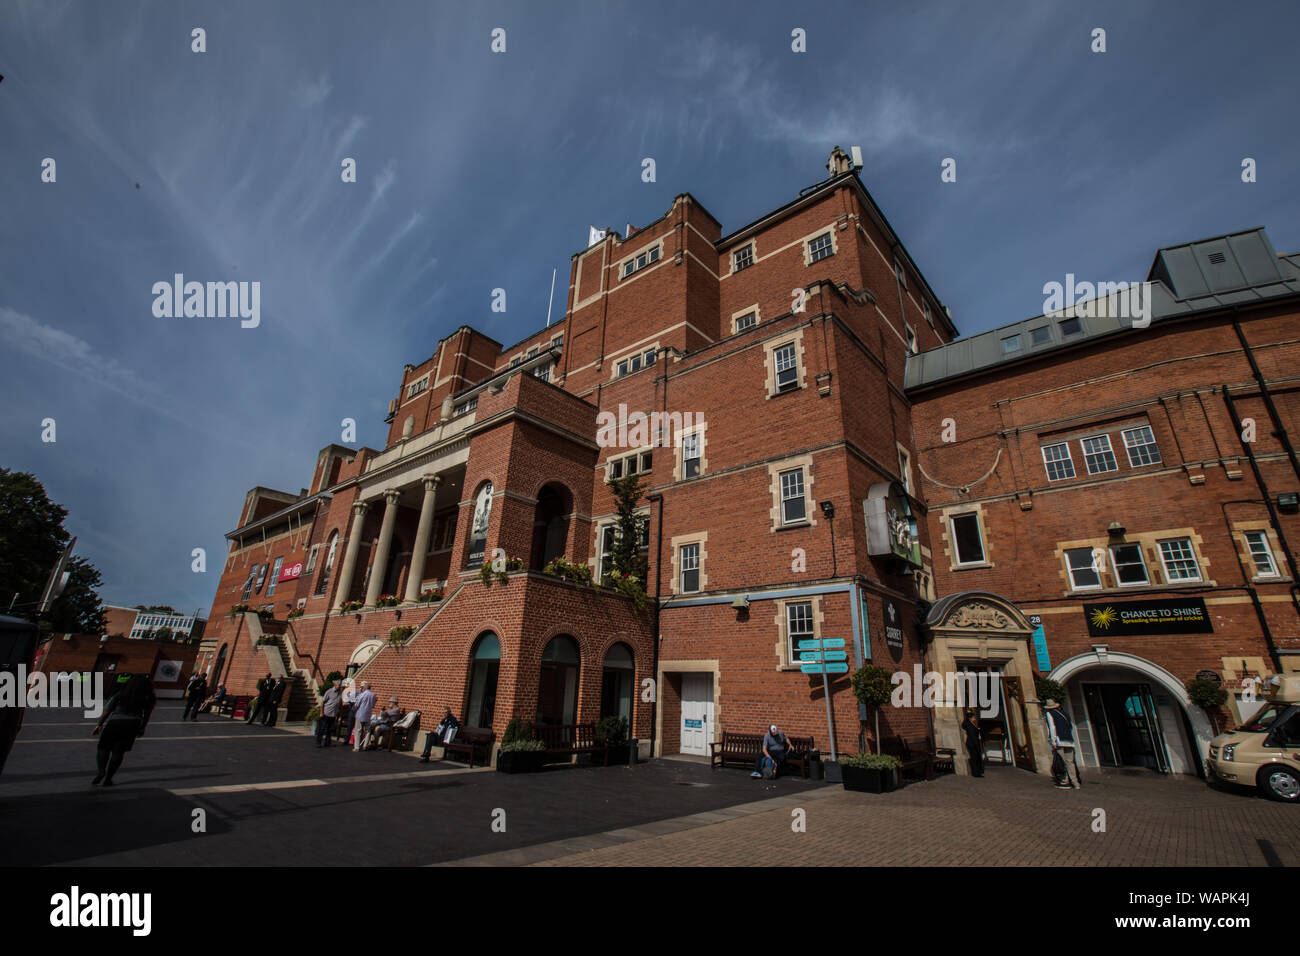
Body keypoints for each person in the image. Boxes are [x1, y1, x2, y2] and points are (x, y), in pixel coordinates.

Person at [91, 674, 156, 786]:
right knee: (118, 752)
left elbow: (107, 710)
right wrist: (142, 728)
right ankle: (108, 778)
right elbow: (147, 715)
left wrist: (99, 725)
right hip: (133, 724)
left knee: (103, 747)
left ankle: (101, 771)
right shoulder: (148, 697)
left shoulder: (120, 694)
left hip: (115, 721)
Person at [1044, 699, 1081, 789]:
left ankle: (1065, 781)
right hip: (1069, 740)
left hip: (1059, 740)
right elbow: (1070, 726)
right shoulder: (1065, 713)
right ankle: (1075, 782)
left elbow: (1052, 728)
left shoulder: (1050, 714)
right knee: (1070, 762)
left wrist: (1053, 742)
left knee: (1062, 761)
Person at [317, 680, 342, 748]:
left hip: (333, 714)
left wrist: (338, 712)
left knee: (330, 729)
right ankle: (318, 742)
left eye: (340, 685)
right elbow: (323, 702)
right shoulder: (329, 691)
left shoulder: (340, 693)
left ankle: (327, 742)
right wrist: (321, 712)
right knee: (322, 729)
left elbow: (339, 703)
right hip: (326, 713)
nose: (340, 686)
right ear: (335, 685)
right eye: (339, 685)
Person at [352, 682, 376, 752]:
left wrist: (353, 710)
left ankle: (357, 747)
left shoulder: (363, 694)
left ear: (364, 688)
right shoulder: (373, 695)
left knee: (358, 730)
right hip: (368, 714)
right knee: (368, 731)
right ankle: (365, 745)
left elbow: (357, 704)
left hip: (360, 714)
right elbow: (373, 705)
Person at [961, 709, 984, 778]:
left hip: (972, 743)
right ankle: (975, 772)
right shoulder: (969, 725)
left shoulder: (971, 724)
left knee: (975, 757)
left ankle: (977, 771)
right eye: (974, 717)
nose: (975, 718)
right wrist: (977, 745)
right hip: (972, 743)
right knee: (974, 758)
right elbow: (973, 736)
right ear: (970, 718)